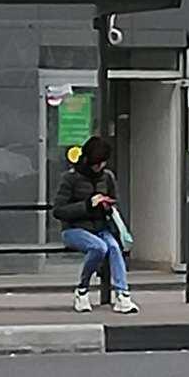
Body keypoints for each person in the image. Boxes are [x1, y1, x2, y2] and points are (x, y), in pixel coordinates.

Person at [53, 134, 139, 315]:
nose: (99, 167)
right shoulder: (70, 178)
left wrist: (107, 205)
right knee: (99, 248)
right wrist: (87, 205)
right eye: (96, 163)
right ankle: (82, 289)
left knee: (114, 248)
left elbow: (115, 203)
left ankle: (123, 294)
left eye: (102, 163)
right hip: (74, 229)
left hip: (101, 226)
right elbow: (59, 210)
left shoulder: (107, 178)